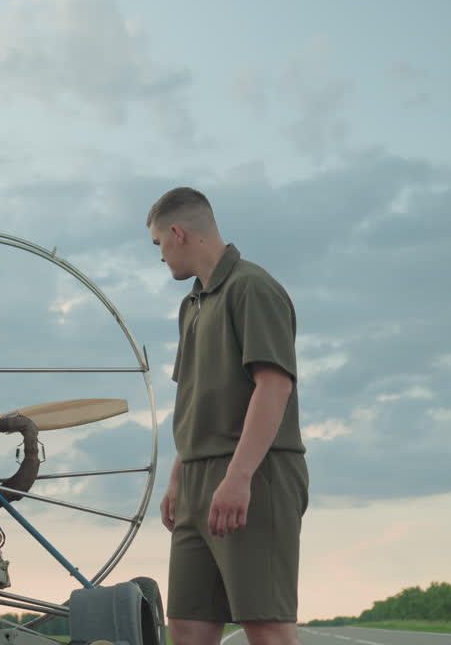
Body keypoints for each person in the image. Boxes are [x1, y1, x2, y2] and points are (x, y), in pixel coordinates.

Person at [146, 187, 309, 645]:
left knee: (266, 625)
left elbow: (274, 386)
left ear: (178, 233)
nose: (160, 257)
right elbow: (196, 398)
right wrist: (179, 475)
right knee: (187, 624)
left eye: (159, 244)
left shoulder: (253, 288)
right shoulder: (193, 303)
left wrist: (239, 477)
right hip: (198, 478)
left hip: (256, 473)